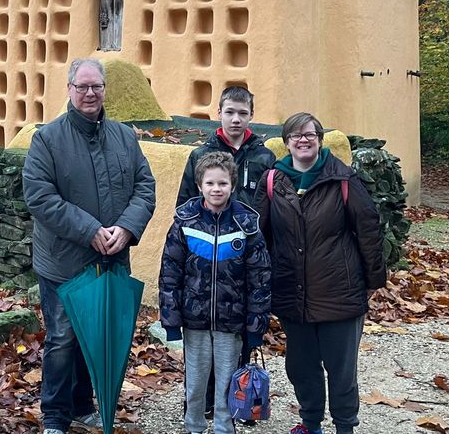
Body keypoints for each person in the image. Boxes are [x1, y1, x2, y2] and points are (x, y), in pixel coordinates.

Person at [23, 57, 157, 434]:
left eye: (96, 86)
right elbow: (40, 197)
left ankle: (83, 406)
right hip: (64, 261)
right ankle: (54, 415)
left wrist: (127, 229)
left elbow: (144, 188)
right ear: (69, 89)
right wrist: (90, 230)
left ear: (104, 89)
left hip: (113, 258)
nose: (89, 93)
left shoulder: (125, 136)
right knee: (63, 339)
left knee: (97, 334)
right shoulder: (47, 139)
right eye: (81, 86)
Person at [255, 112, 387, 434]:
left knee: (341, 371)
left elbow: (368, 228)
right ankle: (311, 423)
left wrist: (373, 280)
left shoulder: (342, 179)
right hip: (292, 293)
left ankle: (345, 427)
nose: (303, 140)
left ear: (319, 139)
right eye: (296, 135)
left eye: (310, 134)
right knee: (301, 367)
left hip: (338, 292)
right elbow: (259, 234)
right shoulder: (273, 180)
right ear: (286, 142)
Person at [175, 85, 276, 424]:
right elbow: (184, 208)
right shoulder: (200, 154)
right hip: (205, 258)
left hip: (245, 255)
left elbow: (272, 207)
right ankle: (202, 404)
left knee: (237, 341)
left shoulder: (264, 158)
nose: (235, 118)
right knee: (201, 348)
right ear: (219, 112)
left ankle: (237, 403)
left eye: (242, 113)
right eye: (229, 112)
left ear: (251, 115)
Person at [159, 152, 271, 434]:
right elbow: (170, 273)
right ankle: (193, 426)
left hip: (231, 321)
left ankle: (224, 427)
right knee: (195, 381)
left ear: (232, 185)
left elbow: (260, 278)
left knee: (226, 381)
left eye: (222, 183)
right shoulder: (185, 222)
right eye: (210, 183)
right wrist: (171, 321)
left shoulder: (247, 225)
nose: (216, 189)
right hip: (194, 320)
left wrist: (255, 325)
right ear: (200, 186)